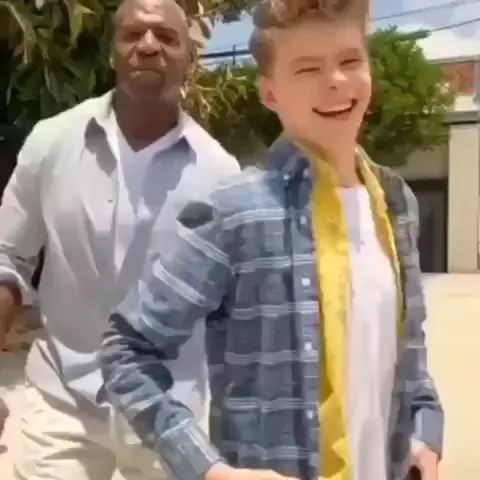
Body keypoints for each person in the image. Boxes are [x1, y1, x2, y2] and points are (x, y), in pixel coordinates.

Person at [100, 1, 444, 480]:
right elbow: (126, 349)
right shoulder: (235, 210)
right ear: (270, 93)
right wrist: (209, 469)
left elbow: (408, 353)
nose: (336, 81)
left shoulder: (394, 201)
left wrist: (425, 435)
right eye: (308, 69)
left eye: (350, 60)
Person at [0, 0, 239, 477]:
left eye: (166, 37)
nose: (148, 46)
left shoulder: (221, 175)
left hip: (169, 412)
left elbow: (229, 314)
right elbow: (8, 257)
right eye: (133, 35)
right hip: (61, 402)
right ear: (113, 52)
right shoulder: (51, 142)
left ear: (189, 59)